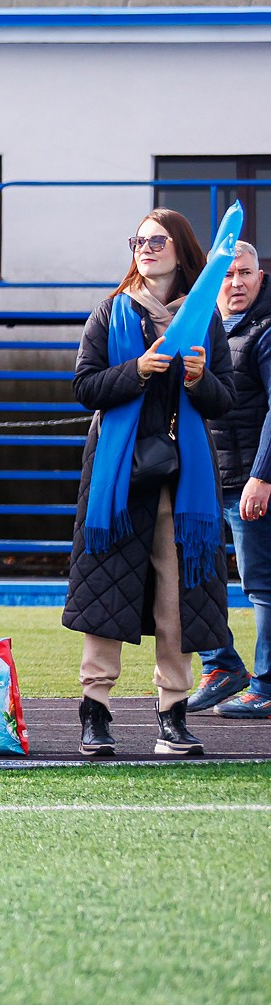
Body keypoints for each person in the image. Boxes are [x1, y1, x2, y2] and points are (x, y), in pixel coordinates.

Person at [64, 209, 234, 757]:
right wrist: (137, 370)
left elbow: (224, 400)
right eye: (138, 239)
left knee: (177, 599)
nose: (145, 247)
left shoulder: (204, 317)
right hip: (117, 479)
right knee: (106, 592)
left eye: (156, 240)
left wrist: (199, 379)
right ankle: (96, 712)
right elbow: (85, 387)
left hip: (184, 482)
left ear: (181, 250)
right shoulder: (109, 311)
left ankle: (173, 716)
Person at [189, 241, 271, 718]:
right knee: (193, 576)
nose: (236, 283)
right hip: (205, 478)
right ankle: (222, 667)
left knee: (261, 584)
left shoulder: (267, 330)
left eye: (245, 273)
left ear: (260, 276)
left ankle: (266, 682)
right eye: (227, 275)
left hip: (250, 480)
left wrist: (262, 476)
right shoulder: (202, 324)